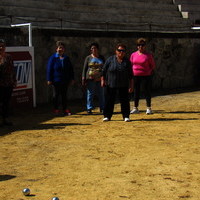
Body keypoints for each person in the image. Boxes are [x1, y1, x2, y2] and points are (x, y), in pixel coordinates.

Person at [101, 43, 133, 122]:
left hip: (123, 84)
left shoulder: (127, 61)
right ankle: (107, 116)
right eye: (119, 50)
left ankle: (126, 116)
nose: (121, 52)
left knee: (124, 101)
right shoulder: (110, 59)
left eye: (123, 51)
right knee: (109, 101)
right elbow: (103, 71)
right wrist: (102, 80)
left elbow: (131, 75)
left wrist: (131, 86)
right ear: (116, 51)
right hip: (111, 84)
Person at [47, 41, 74, 116]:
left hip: (64, 80)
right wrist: (49, 79)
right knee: (56, 95)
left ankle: (65, 109)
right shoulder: (53, 58)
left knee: (64, 95)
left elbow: (70, 69)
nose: (60, 49)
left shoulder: (66, 58)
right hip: (56, 80)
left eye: (62, 48)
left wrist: (72, 78)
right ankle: (56, 109)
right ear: (56, 49)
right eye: (59, 48)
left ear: (64, 49)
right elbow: (49, 69)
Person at [130, 38, 156, 115]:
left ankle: (148, 108)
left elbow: (152, 65)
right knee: (136, 92)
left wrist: (148, 72)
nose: (140, 47)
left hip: (146, 76)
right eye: (139, 45)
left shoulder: (148, 55)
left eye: (142, 45)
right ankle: (135, 108)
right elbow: (131, 64)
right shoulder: (133, 54)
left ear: (145, 46)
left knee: (147, 91)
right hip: (136, 75)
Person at [82, 42, 105, 114]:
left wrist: (103, 78)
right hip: (90, 79)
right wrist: (83, 78)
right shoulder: (88, 58)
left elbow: (104, 68)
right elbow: (85, 69)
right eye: (92, 48)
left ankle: (103, 107)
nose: (93, 49)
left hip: (99, 79)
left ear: (98, 49)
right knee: (90, 94)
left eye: (95, 48)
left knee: (101, 94)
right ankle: (89, 108)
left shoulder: (101, 57)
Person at [0, 39, 16, 126]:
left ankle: (5, 119)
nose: (1, 47)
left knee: (6, 102)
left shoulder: (9, 57)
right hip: (0, 84)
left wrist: (14, 80)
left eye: (3, 46)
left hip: (8, 83)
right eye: (0, 46)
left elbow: (12, 70)